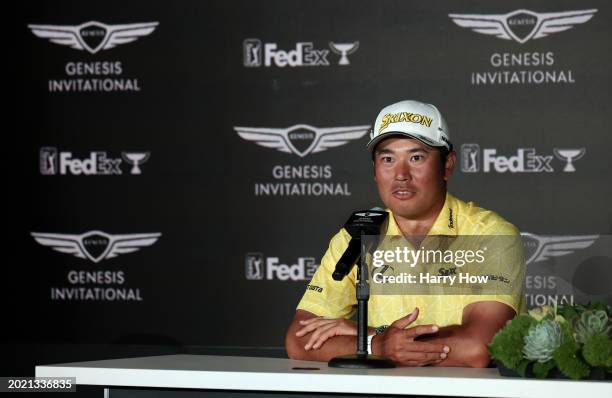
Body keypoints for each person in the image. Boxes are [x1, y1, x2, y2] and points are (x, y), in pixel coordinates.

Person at [285, 100, 525, 367]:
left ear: (447, 165)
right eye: (388, 159)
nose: (401, 175)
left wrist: (376, 340)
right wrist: (377, 345)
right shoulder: (356, 235)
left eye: (416, 158)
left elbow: (477, 347)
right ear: (374, 170)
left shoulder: (489, 234)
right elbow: (300, 340)